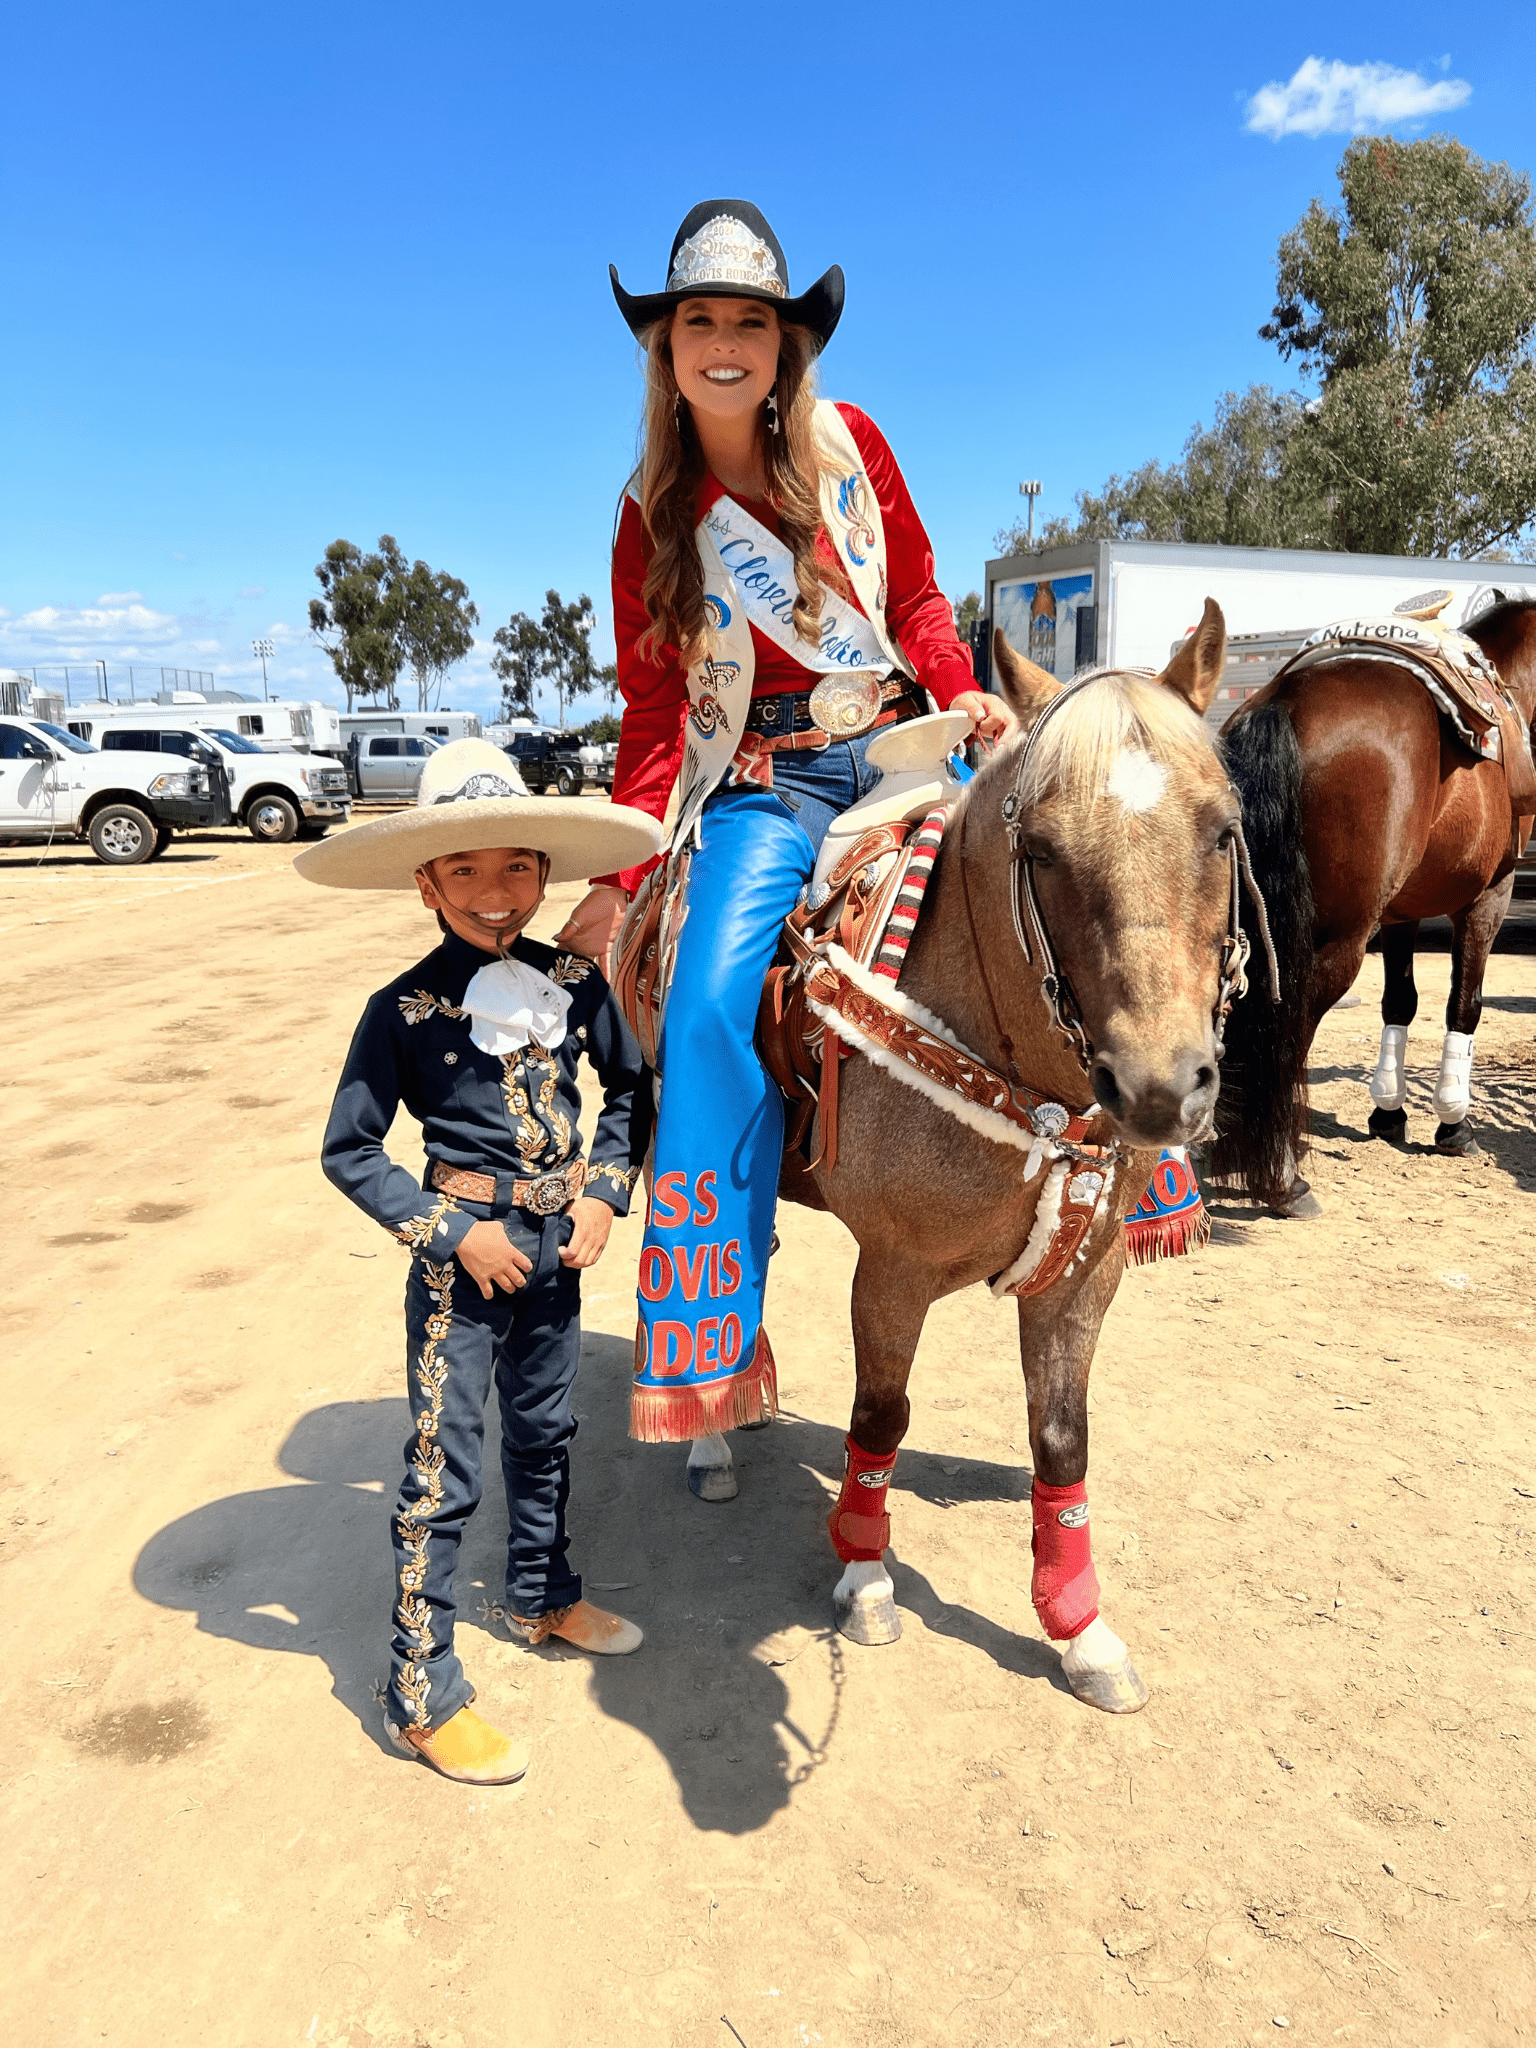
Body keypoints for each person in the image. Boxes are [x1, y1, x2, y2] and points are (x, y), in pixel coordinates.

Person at [556, 200, 1019, 1467]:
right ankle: (714, 1334)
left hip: (902, 749)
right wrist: (625, 870)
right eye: (698, 321)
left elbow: (918, 600)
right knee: (708, 1007)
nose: (724, 343)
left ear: (784, 342)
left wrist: (961, 683)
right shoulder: (650, 513)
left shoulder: (850, 444)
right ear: (665, 348)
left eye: (748, 322)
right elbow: (654, 712)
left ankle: (1104, 1189)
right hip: (762, 782)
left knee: (1062, 886)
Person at [295, 740, 663, 1786]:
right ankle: (419, 1691)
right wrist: (453, 1231)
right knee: (442, 1468)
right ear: (427, 883)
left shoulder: (576, 981)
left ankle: (541, 1596)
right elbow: (350, 1150)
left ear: (543, 873)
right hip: (461, 1266)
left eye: (515, 866)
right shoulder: (402, 1009)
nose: (494, 890)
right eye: (465, 869)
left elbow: (631, 1092)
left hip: (558, 1252)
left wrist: (603, 1192)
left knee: (547, 1433)